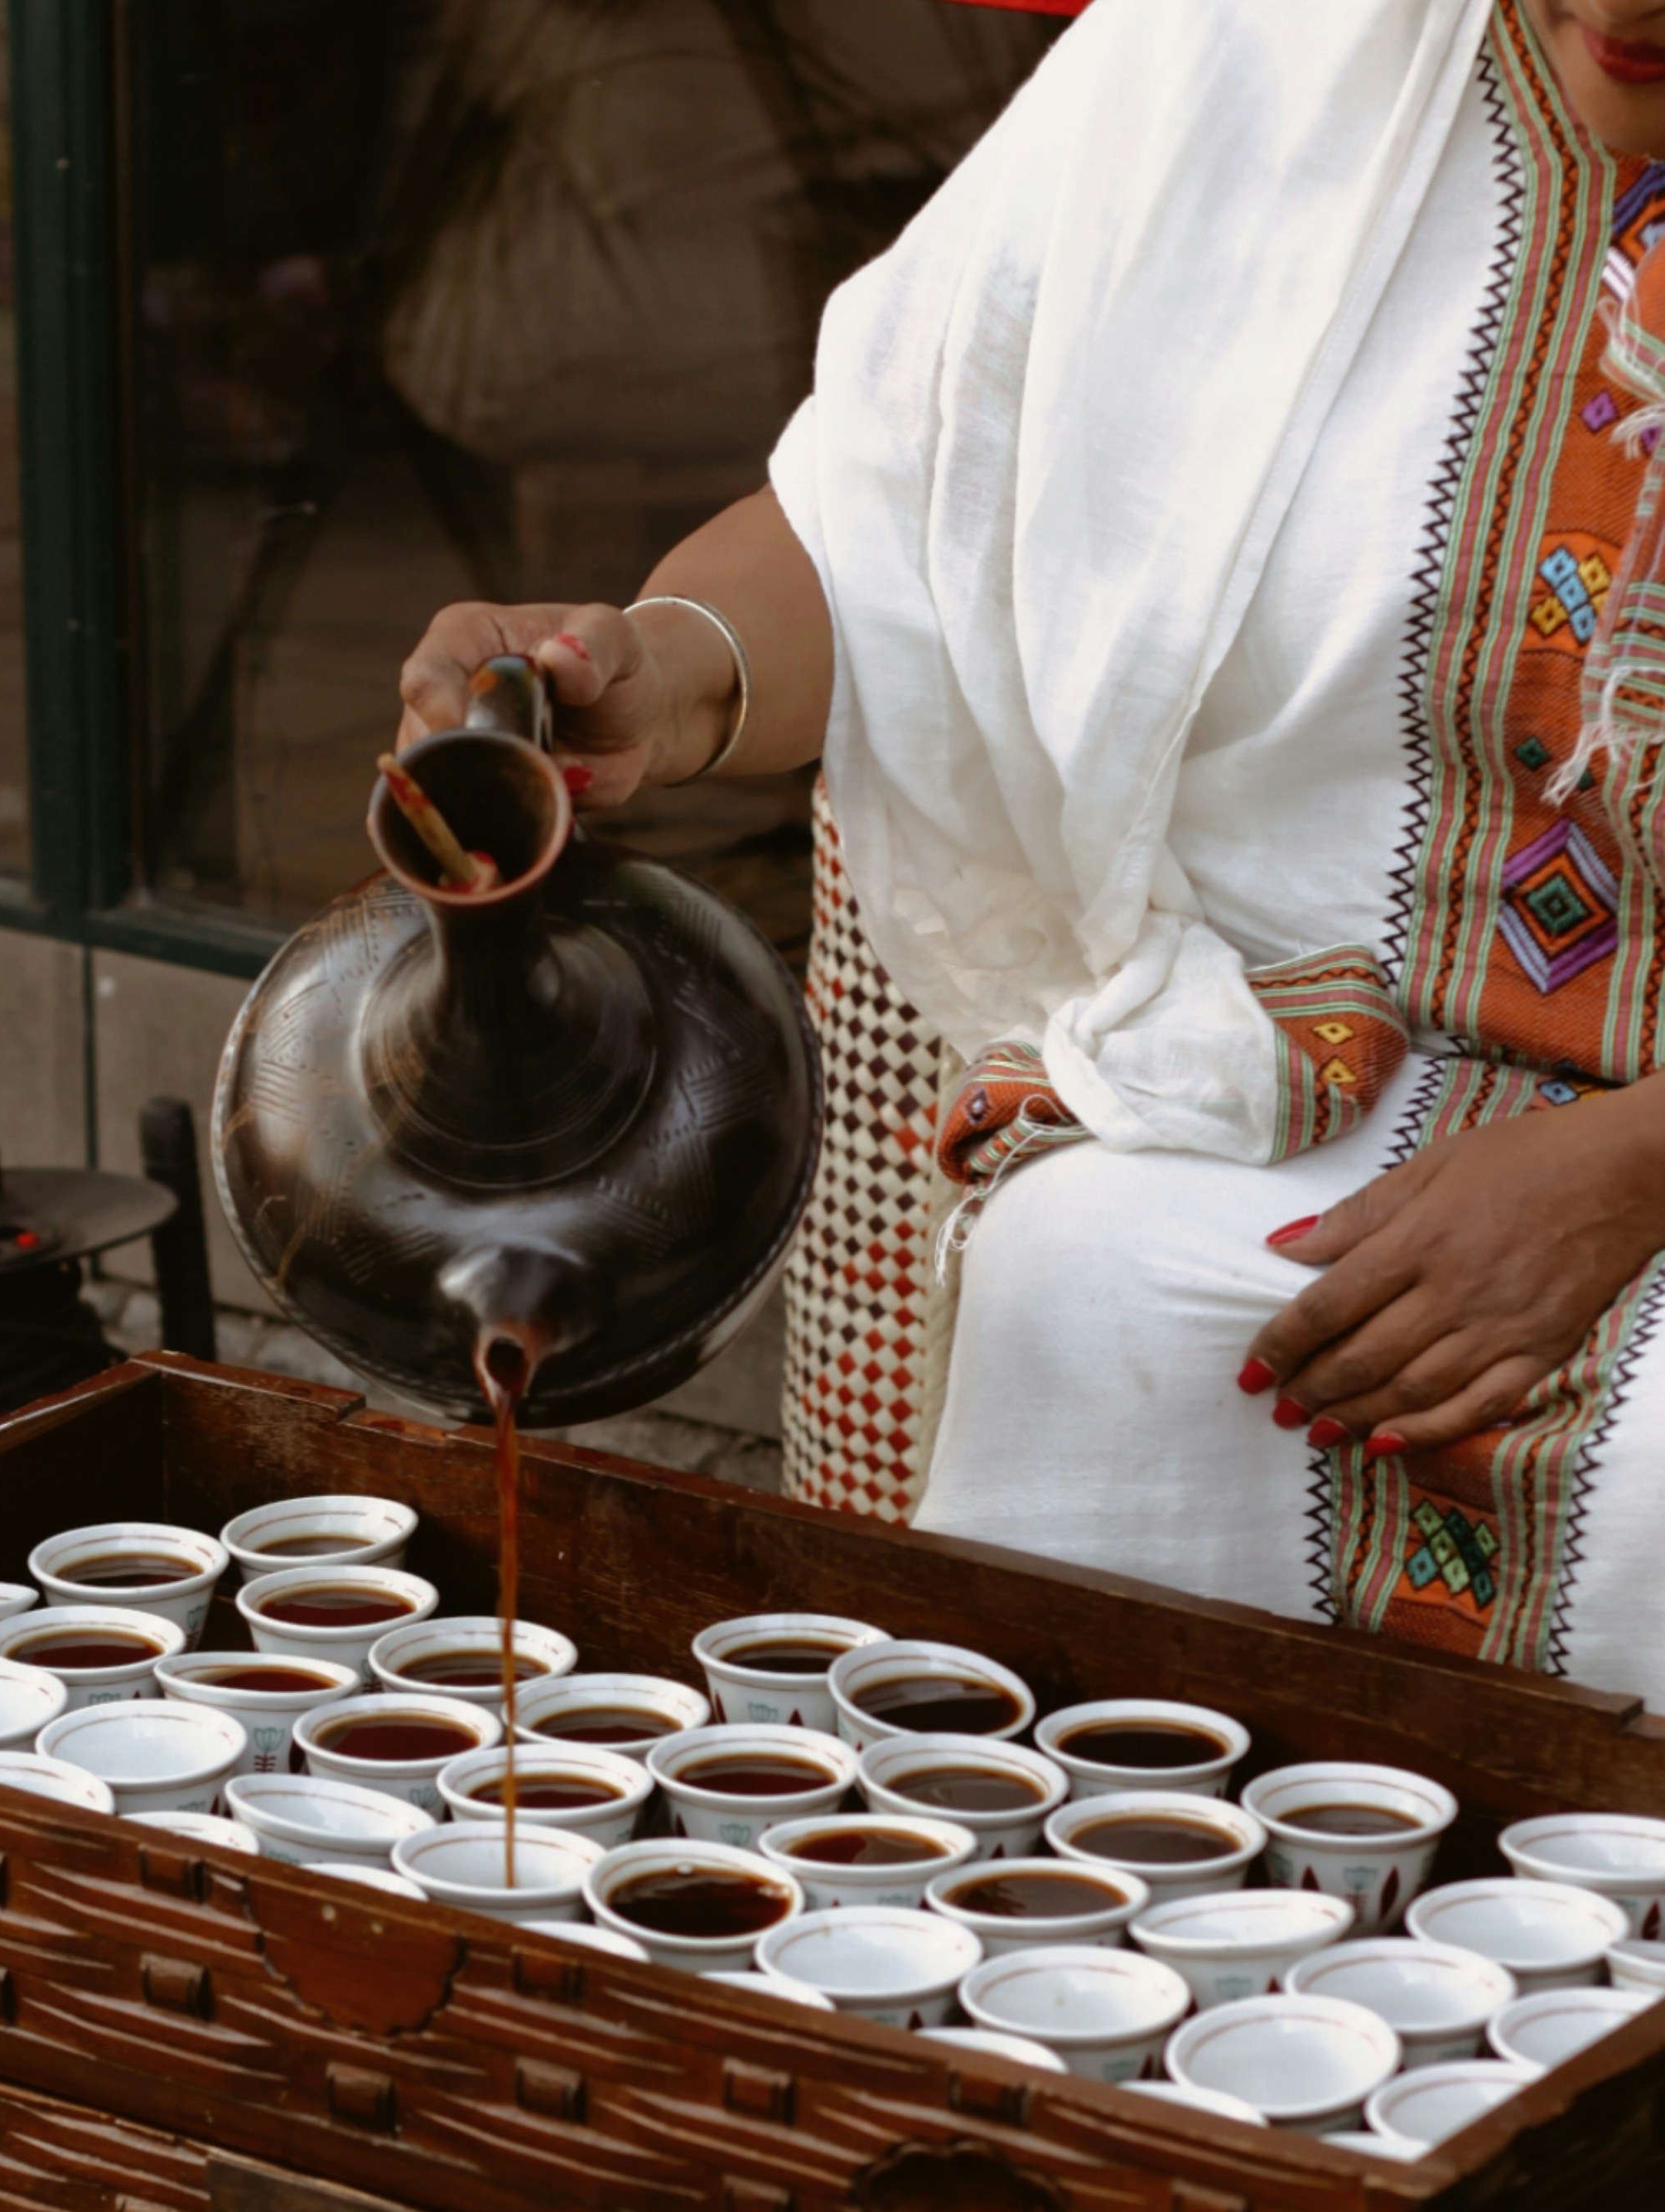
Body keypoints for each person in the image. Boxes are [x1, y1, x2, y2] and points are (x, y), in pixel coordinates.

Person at [397, 0, 1665, 1707]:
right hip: (1317, 1052)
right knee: (1091, 1282)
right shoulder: (1237, 63)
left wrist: (1624, 1174)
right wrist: (666, 665)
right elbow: (911, 522)